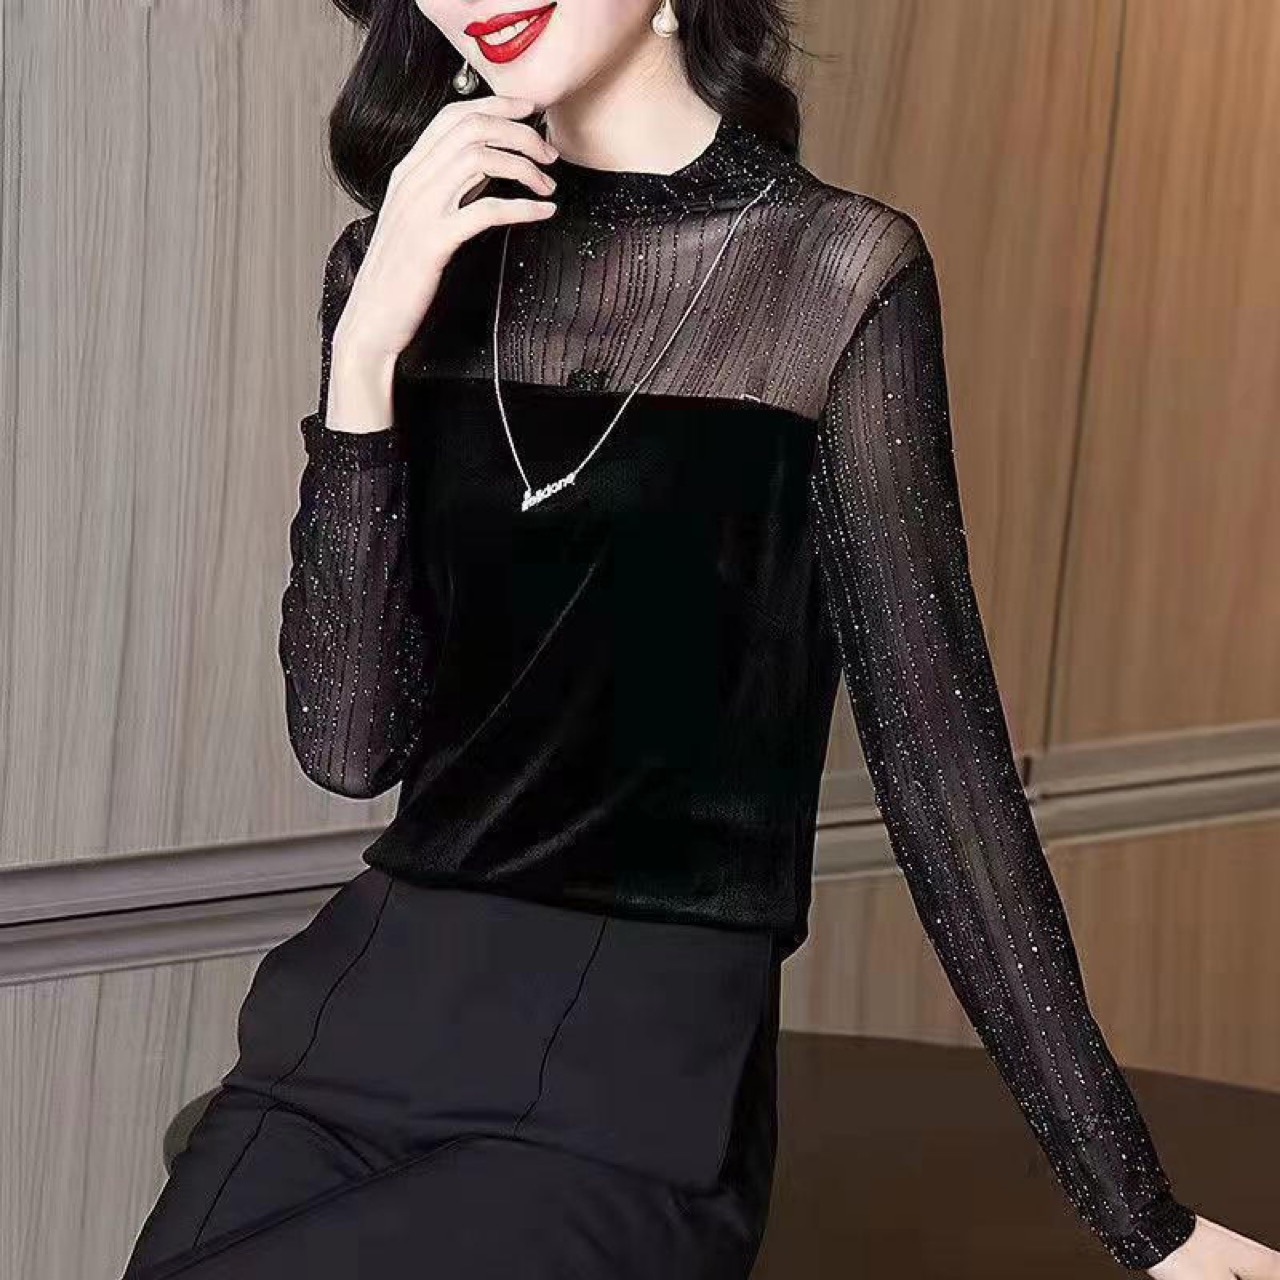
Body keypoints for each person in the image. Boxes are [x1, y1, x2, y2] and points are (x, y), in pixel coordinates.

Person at [120, 2, 1273, 1277]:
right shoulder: (397, 261)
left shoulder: (831, 273)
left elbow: (941, 769)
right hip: (355, 1026)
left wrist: (1140, 1214)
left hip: (627, 1086)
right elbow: (347, 745)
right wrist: (364, 356)